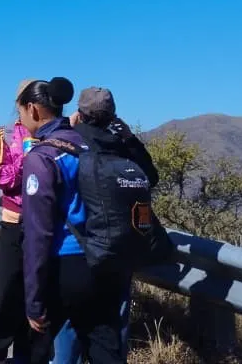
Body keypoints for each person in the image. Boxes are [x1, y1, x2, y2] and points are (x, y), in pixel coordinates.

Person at [20, 78, 128, 364]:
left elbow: (38, 234)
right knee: (104, 349)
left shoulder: (42, 157)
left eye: (20, 112)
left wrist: (33, 300)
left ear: (32, 109)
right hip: (102, 261)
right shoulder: (87, 145)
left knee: (36, 348)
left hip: (64, 266)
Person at [50, 88, 159, 364]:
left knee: (70, 324)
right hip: (119, 247)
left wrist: (67, 126)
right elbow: (151, 176)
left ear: (80, 113)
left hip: (81, 247)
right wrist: (128, 136)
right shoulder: (120, 146)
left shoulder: (72, 142)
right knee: (113, 322)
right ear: (113, 116)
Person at [0, 80, 38, 364]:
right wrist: (27, 158)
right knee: (6, 286)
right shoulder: (5, 136)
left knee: (35, 289)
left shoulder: (53, 136)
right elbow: (1, 177)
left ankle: (27, 351)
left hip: (45, 223)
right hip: (15, 220)